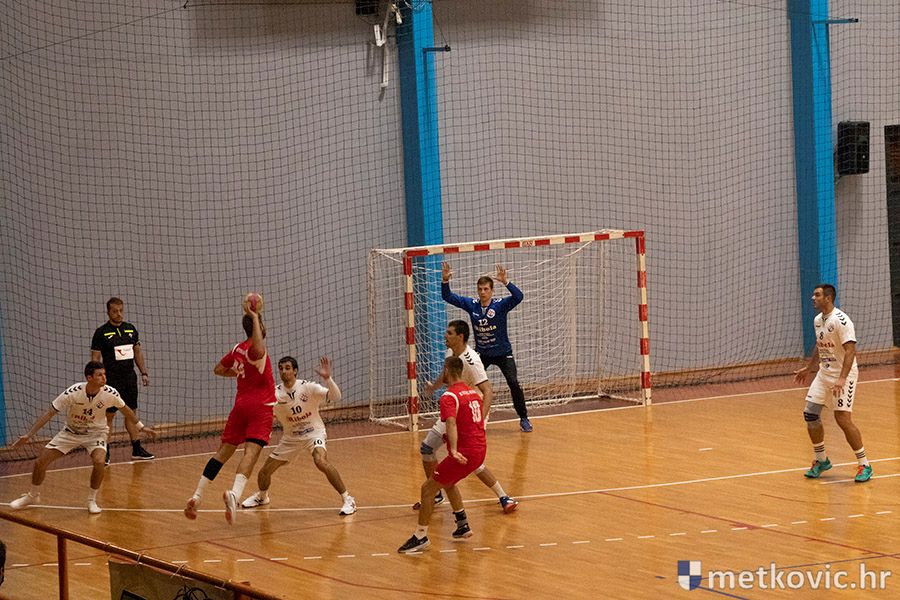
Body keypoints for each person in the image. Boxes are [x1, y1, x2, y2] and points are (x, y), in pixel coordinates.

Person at [8, 361, 156, 514]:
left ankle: (91, 500)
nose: (104, 378)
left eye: (104, 374)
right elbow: (49, 413)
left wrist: (141, 427)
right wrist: (29, 434)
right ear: (89, 378)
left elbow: (126, 410)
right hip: (70, 433)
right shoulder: (73, 392)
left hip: (96, 433)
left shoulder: (110, 393)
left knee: (100, 462)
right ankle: (32, 496)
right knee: (40, 462)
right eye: (99, 375)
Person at [184, 301, 276, 524]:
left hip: (240, 406)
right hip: (260, 408)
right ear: (259, 327)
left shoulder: (237, 350)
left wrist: (239, 373)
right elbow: (258, 347)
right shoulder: (256, 351)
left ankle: (197, 496)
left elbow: (218, 369)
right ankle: (235, 494)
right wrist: (255, 316)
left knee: (223, 452)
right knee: (251, 453)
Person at [416, 320, 518, 513]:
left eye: (449, 333)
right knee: (427, 448)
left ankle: (503, 496)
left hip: (472, 412)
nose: (445, 336)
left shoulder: (472, 361)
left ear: (460, 337)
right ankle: (436, 493)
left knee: (471, 461)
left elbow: (488, 391)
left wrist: (480, 419)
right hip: (455, 411)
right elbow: (446, 374)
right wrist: (433, 387)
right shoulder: (450, 352)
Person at [241, 356, 357, 516]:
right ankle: (262, 497)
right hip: (291, 438)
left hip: (313, 432)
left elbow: (336, 397)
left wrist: (328, 379)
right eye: (281, 368)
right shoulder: (274, 394)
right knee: (264, 472)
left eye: (287, 368)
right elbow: (259, 410)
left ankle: (348, 499)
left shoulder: (308, 387)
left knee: (320, 461)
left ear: (295, 371)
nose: (284, 371)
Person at [399, 356, 487, 553]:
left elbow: (451, 423)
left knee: (428, 489)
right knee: (448, 481)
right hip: (480, 450)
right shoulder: (472, 393)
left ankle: (420, 536)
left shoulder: (449, 396)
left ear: (447, 370)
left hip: (465, 453)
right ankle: (462, 524)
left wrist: (454, 450)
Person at [793, 284, 872, 482]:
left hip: (844, 375)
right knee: (810, 414)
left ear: (828, 298)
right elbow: (820, 345)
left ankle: (864, 464)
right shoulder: (818, 320)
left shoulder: (841, 320)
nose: (813, 298)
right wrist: (809, 368)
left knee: (842, 419)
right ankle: (821, 460)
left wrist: (842, 379)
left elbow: (850, 351)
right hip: (824, 373)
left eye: (817, 295)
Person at [441, 263, 532, 432]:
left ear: (492, 291)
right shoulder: (472, 305)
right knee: (466, 382)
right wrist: (445, 281)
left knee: (513, 382)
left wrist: (506, 282)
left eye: (486, 289)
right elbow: (448, 297)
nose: (483, 292)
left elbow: (519, 297)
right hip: (482, 353)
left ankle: (524, 418)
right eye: (480, 289)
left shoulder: (500, 305)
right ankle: (463, 416)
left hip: (503, 353)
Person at [91, 297, 154, 463]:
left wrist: (144, 373)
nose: (118, 314)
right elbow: (95, 358)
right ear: (108, 312)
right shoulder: (101, 332)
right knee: (109, 416)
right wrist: (97, 380)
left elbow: (137, 352)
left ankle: (137, 449)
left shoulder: (130, 329)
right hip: (111, 380)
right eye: (115, 311)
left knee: (131, 414)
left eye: (121, 311)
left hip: (129, 379)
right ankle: (105, 452)